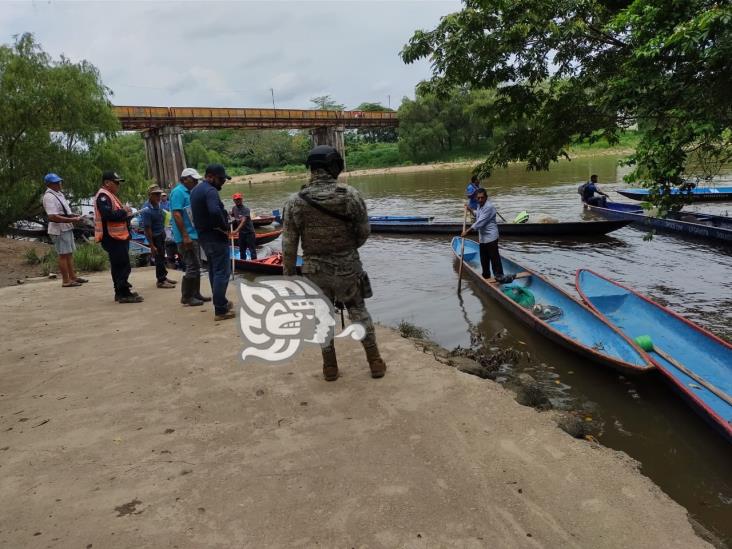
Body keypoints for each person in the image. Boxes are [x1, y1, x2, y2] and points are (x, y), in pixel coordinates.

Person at [282, 145, 386, 382]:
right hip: (348, 267)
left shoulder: (295, 202)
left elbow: (288, 245)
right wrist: (347, 250)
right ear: (334, 166)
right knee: (359, 312)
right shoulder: (350, 195)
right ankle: (375, 362)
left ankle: (330, 367)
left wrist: (289, 277)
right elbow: (364, 232)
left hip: (314, 271)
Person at [190, 164, 235, 321]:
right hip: (215, 237)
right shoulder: (210, 191)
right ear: (210, 177)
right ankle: (221, 310)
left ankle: (221, 302)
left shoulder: (196, 190)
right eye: (221, 179)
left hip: (204, 237)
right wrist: (223, 227)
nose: (223, 182)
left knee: (214, 271)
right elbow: (215, 211)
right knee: (222, 272)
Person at [94, 171, 143, 303]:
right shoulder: (103, 196)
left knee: (120, 265)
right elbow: (108, 216)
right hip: (112, 237)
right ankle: (123, 293)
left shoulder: (110, 195)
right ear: (107, 183)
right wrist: (124, 211)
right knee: (121, 265)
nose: (118, 185)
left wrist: (125, 213)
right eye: (116, 182)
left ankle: (121, 291)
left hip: (118, 236)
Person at [170, 168, 210, 306]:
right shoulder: (178, 192)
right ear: (185, 179)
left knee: (197, 265)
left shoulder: (189, 192)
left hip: (194, 234)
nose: (195, 182)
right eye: (193, 179)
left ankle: (196, 293)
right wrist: (185, 235)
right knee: (191, 266)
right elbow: (176, 214)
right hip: (186, 237)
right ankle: (187, 297)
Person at [41, 173, 87, 287]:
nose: (59, 184)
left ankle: (73, 277)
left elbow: (64, 211)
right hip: (59, 229)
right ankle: (66, 281)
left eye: (59, 182)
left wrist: (73, 216)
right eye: (56, 182)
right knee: (63, 254)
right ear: (49, 184)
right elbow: (52, 216)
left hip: (66, 227)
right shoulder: (49, 196)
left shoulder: (59, 194)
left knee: (69, 253)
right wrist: (70, 219)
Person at [461, 188, 504, 281]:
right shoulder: (479, 205)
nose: (480, 200)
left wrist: (467, 231)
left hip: (491, 237)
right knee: (484, 259)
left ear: (486, 198)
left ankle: (499, 276)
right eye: (478, 198)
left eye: (482, 198)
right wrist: (470, 210)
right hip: (483, 238)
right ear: (476, 198)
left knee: (494, 258)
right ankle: (486, 277)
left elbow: (480, 222)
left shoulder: (489, 207)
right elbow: (478, 215)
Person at [140, 185, 176, 289]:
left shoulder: (158, 205)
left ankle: (164, 277)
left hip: (161, 234)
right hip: (154, 237)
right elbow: (147, 228)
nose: (158, 196)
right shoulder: (146, 209)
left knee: (162, 257)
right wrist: (151, 245)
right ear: (150, 195)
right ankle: (160, 280)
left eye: (159, 194)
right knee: (159, 258)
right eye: (156, 194)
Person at [230, 193, 257, 261]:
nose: (238, 201)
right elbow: (232, 215)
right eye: (236, 200)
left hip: (249, 233)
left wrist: (236, 231)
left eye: (239, 199)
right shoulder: (234, 208)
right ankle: (243, 262)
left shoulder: (246, 209)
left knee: (252, 250)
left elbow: (243, 221)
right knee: (242, 250)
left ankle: (255, 262)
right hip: (241, 233)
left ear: (242, 200)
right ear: (234, 201)